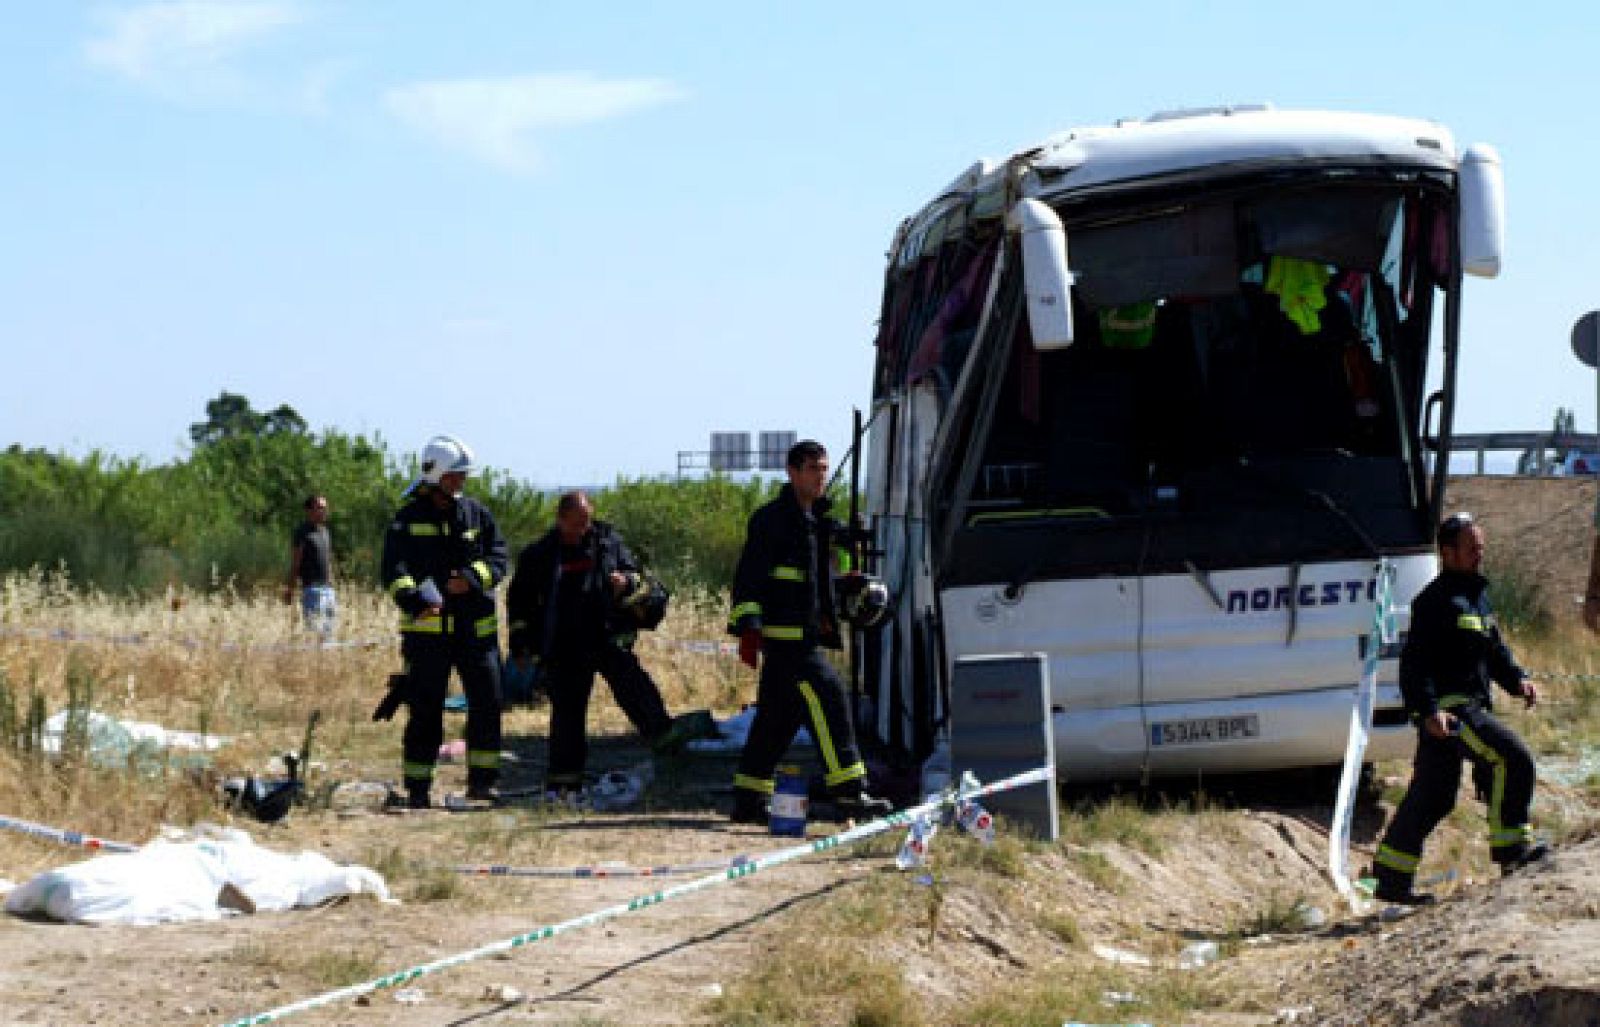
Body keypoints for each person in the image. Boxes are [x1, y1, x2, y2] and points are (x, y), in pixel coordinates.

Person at [1372, 512, 1548, 905]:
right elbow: (1414, 664)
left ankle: (1390, 879)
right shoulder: (1433, 602)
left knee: (1434, 795)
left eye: (1480, 548)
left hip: (1469, 706)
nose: (1478, 555)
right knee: (1512, 758)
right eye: (1471, 549)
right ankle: (1513, 854)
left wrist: (1518, 680)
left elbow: (1495, 651)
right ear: (1447, 553)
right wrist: (1427, 712)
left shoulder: (1478, 598)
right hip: (1451, 712)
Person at [726, 439, 892, 824]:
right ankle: (850, 793)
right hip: (788, 641)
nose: (821, 476)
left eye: (824, 468)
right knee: (830, 698)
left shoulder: (817, 522)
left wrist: (848, 565)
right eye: (813, 468)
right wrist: (748, 624)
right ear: (793, 471)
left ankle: (749, 798)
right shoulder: (771, 521)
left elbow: (828, 574)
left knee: (776, 719)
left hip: (807, 635)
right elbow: (749, 576)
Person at [507, 491, 683, 798]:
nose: (583, 529)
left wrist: (625, 582)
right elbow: (519, 603)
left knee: (634, 687)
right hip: (565, 645)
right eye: (576, 524)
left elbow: (636, 576)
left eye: (586, 522)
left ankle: (667, 744)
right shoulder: (540, 555)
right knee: (567, 714)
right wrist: (521, 644)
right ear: (560, 520)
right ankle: (564, 783)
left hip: (606, 635)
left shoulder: (607, 542)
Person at [380, 435, 507, 809]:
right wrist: (413, 599)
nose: (460, 483)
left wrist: (471, 577)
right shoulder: (406, 521)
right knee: (425, 710)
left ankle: (482, 783)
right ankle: (418, 788)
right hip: (427, 637)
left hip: (475, 632)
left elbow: (499, 558)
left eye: (462, 477)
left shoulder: (476, 515)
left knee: (487, 704)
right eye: (454, 476)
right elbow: (393, 570)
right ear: (435, 476)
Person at [283, 494, 336, 639]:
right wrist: (290, 589)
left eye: (325, 507)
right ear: (309, 511)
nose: (324, 511)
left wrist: (331, 584)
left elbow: (328, 559)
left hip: (328, 591)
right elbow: (296, 562)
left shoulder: (325, 532)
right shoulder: (302, 533)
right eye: (320, 507)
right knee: (315, 634)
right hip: (312, 590)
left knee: (329, 635)